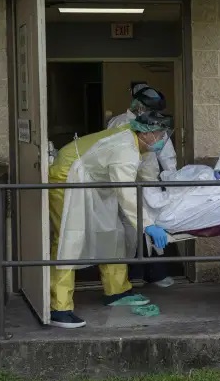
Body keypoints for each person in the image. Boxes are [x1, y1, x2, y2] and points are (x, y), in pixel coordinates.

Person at [48, 111, 174, 329]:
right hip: (68, 175)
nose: (163, 139)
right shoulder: (125, 149)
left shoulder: (139, 143)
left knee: (113, 232)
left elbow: (147, 175)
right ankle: (59, 308)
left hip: (95, 182)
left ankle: (117, 291)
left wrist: (166, 196)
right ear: (147, 133)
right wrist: (148, 225)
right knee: (69, 239)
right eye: (160, 134)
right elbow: (126, 193)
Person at [108, 84, 176, 288]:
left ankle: (154, 273)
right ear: (139, 107)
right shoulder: (119, 123)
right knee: (128, 231)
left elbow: (167, 154)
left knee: (152, 226)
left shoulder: (154, 122)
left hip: (149, 183)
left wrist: (173, 181)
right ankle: (126, 277)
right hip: (124, 181)